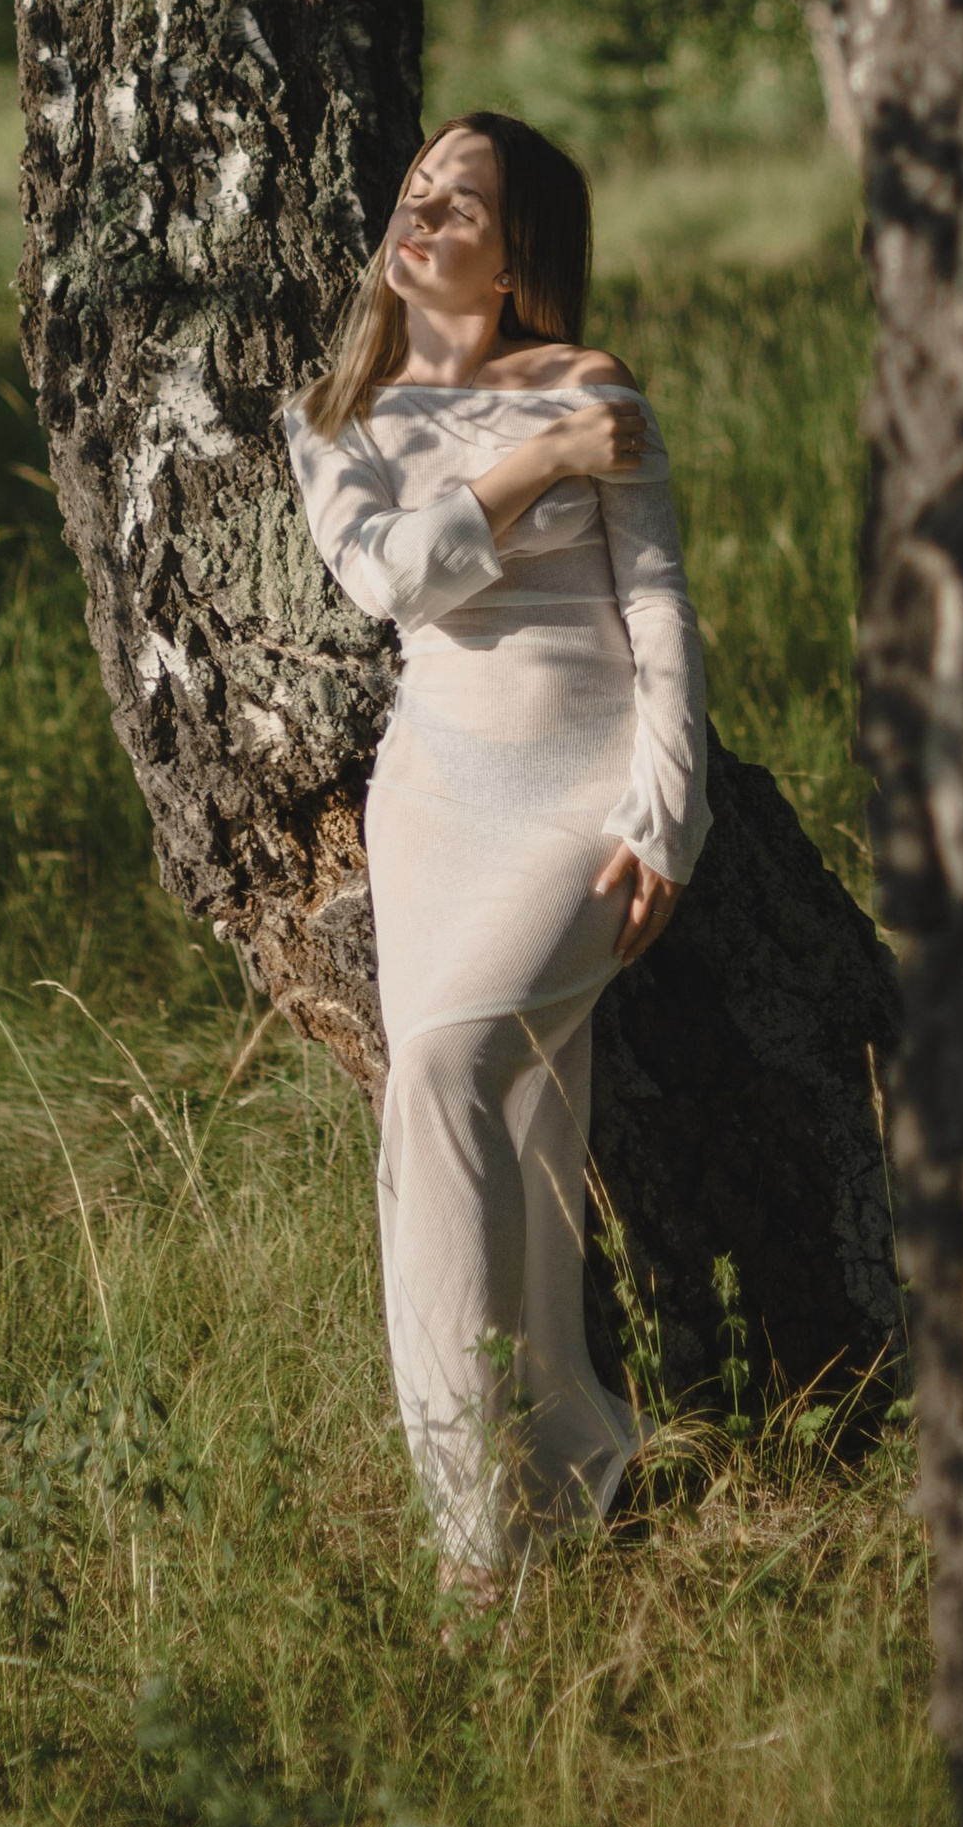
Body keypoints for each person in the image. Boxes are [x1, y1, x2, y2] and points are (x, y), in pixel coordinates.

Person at [282, 110, 711, 1604]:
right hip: (439, 806)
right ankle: (542, 1482)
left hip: (580, 800)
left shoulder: (595, 385)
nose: (424, 218)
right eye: (417, 193)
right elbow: (392, 579)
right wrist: (537, 463)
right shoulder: (340, 412)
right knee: (491, 1124)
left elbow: (658, 618)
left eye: (461, 204)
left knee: (448, 1075)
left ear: (520, 250)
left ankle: (484, 1552)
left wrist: (669, 817)